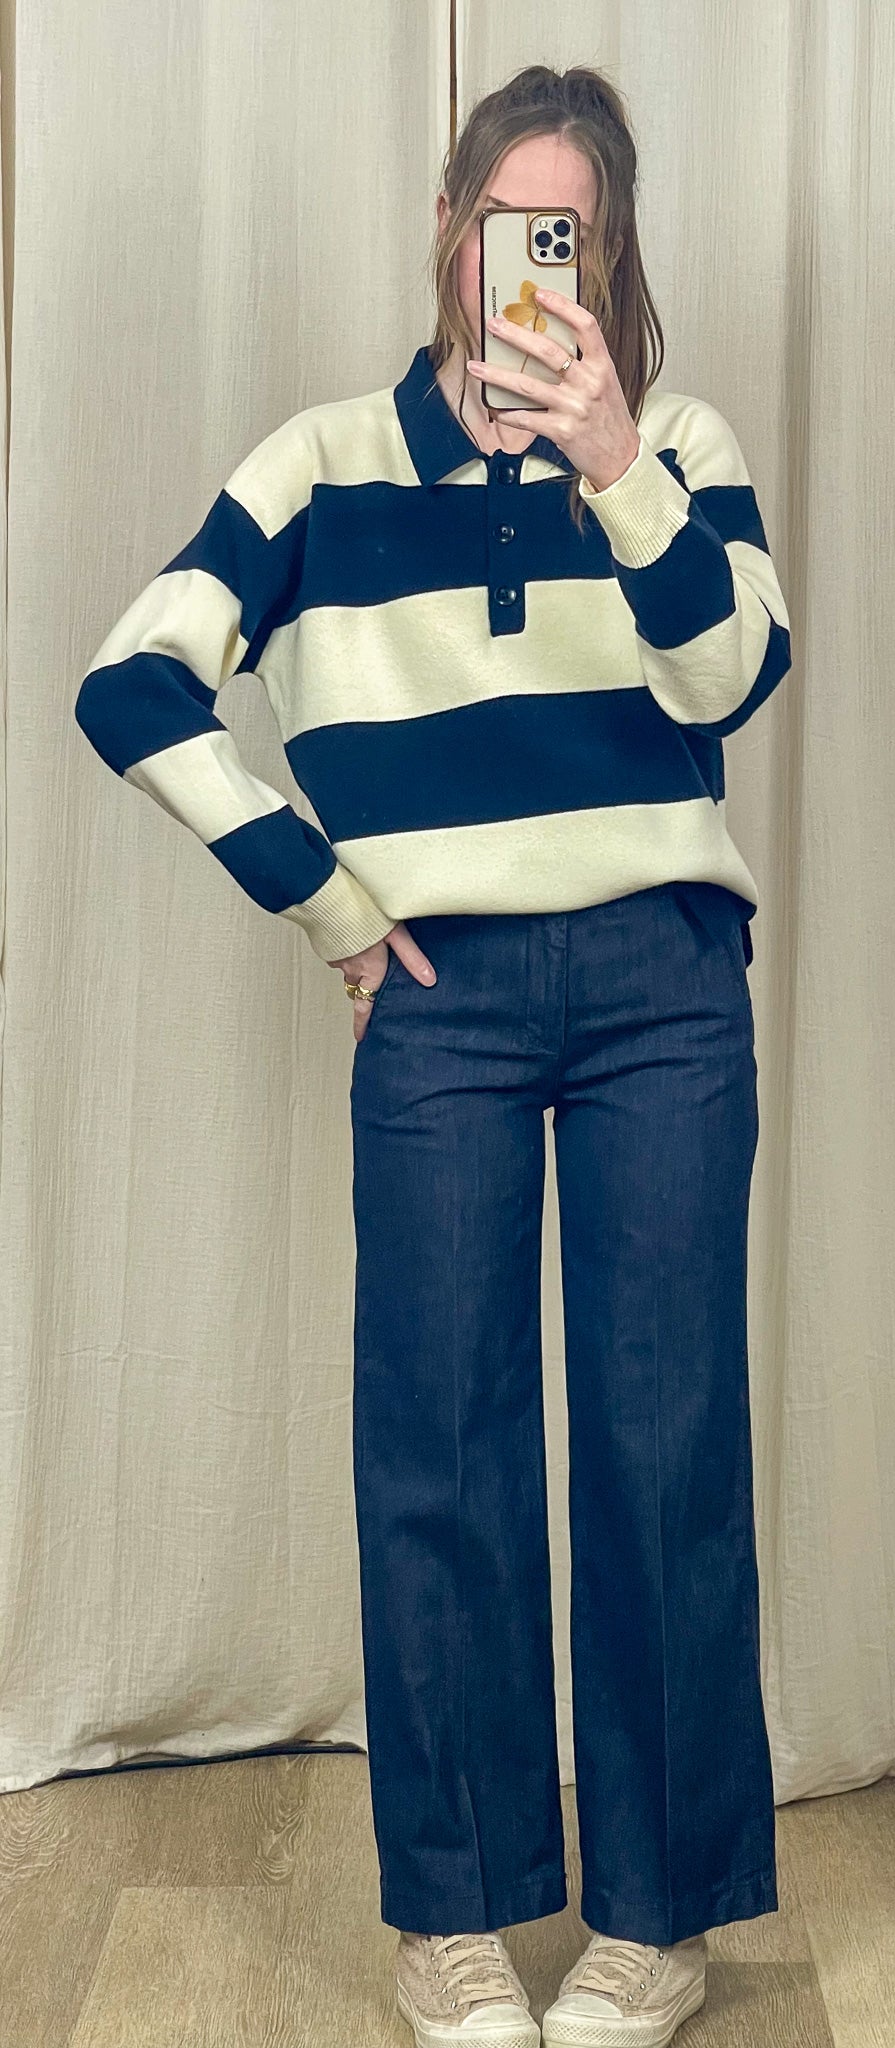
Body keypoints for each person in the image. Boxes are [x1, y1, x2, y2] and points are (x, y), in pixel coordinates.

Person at [75, 61, 791, 2048]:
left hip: (663, 982)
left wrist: (615, 459)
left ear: (610, 251)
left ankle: (658, 1921)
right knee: (443, 1446)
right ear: (453, 232)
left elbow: (734, 674)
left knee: (664, 1443)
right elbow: (132, 678)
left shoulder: (680, 446)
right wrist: (319, 891)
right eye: (504, 225)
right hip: (439, 996)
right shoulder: (319, 465)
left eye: (572, 230)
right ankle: (454, 1917)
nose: (531, 264)